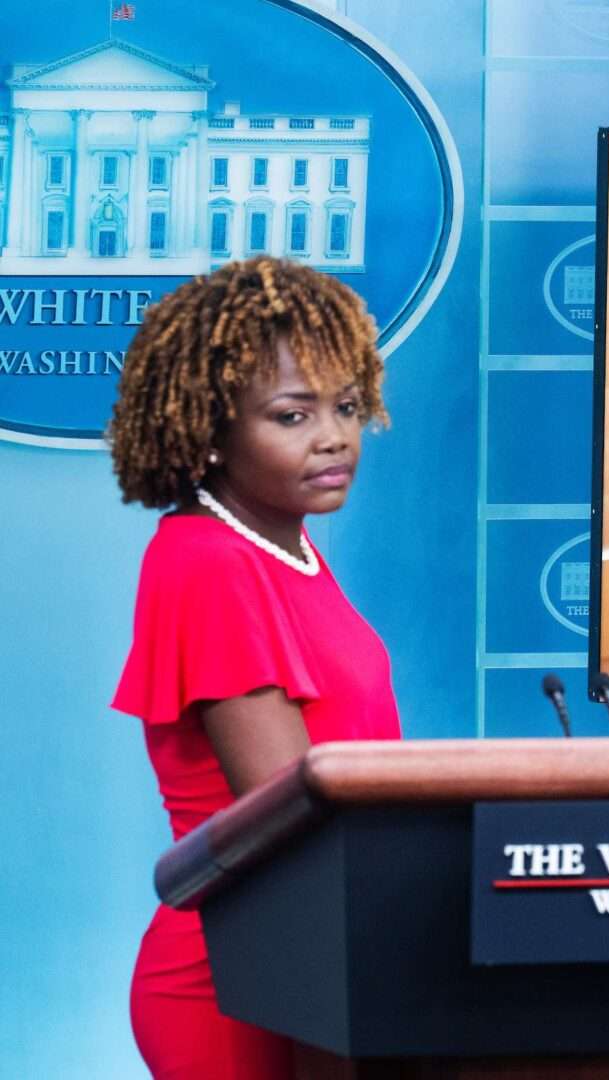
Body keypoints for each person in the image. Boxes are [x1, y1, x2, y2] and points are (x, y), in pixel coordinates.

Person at [108, 257, 400, 1078]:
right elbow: (289, 805)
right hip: (242, 981)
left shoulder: (286, 546)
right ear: (210, 430)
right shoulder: (208, 563)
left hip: (312, 957)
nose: (334, 435)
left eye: (344, 407)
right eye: (291, 415)